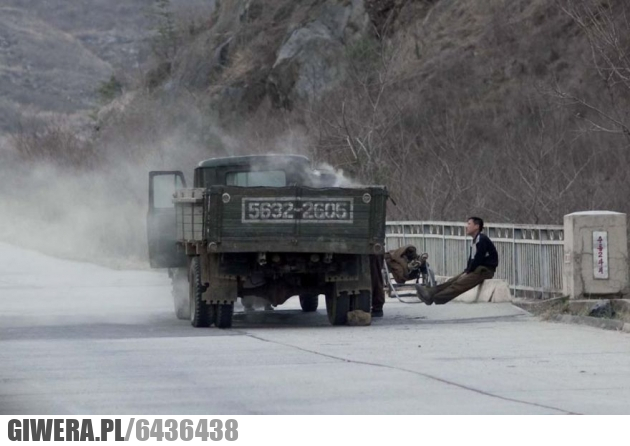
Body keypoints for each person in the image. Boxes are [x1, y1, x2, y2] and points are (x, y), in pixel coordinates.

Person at [415, 217, 498, 305]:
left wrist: (469, 272)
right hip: (477, 269)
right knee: (452, 281)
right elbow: (472, 258)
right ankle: (430, 292)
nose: (466, 227)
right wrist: (467, 270)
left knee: (458, 284)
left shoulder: (482, 239)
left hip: (484, 270)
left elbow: (478, 258)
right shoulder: (475, 240)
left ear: (477, 226)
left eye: (469, 224)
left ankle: (433, 298)